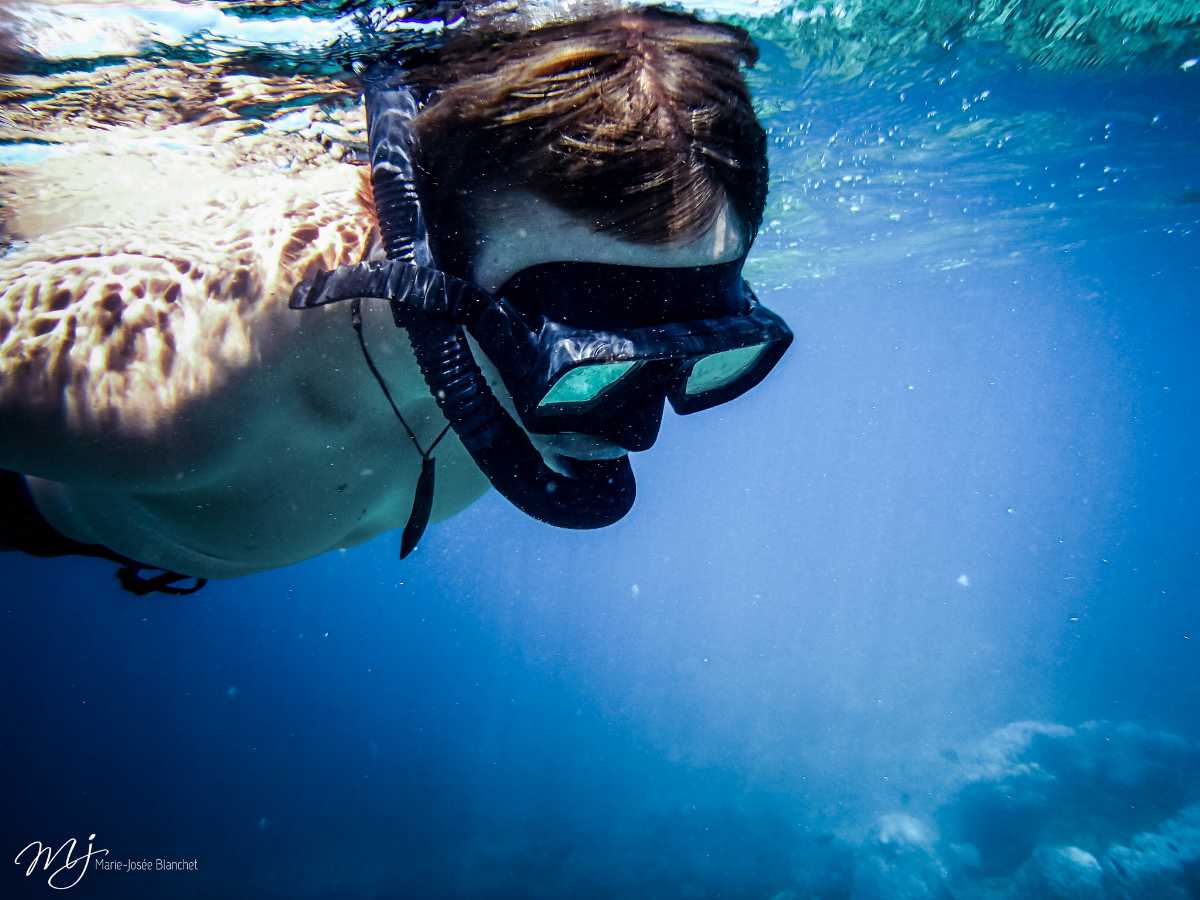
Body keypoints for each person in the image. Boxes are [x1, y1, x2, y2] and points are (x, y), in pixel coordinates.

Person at [0, 4, 791, 594]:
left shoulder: (502, 348)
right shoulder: (164, 386)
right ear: (413, 247)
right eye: (584, 358)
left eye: (703, 350)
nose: (636, 430)